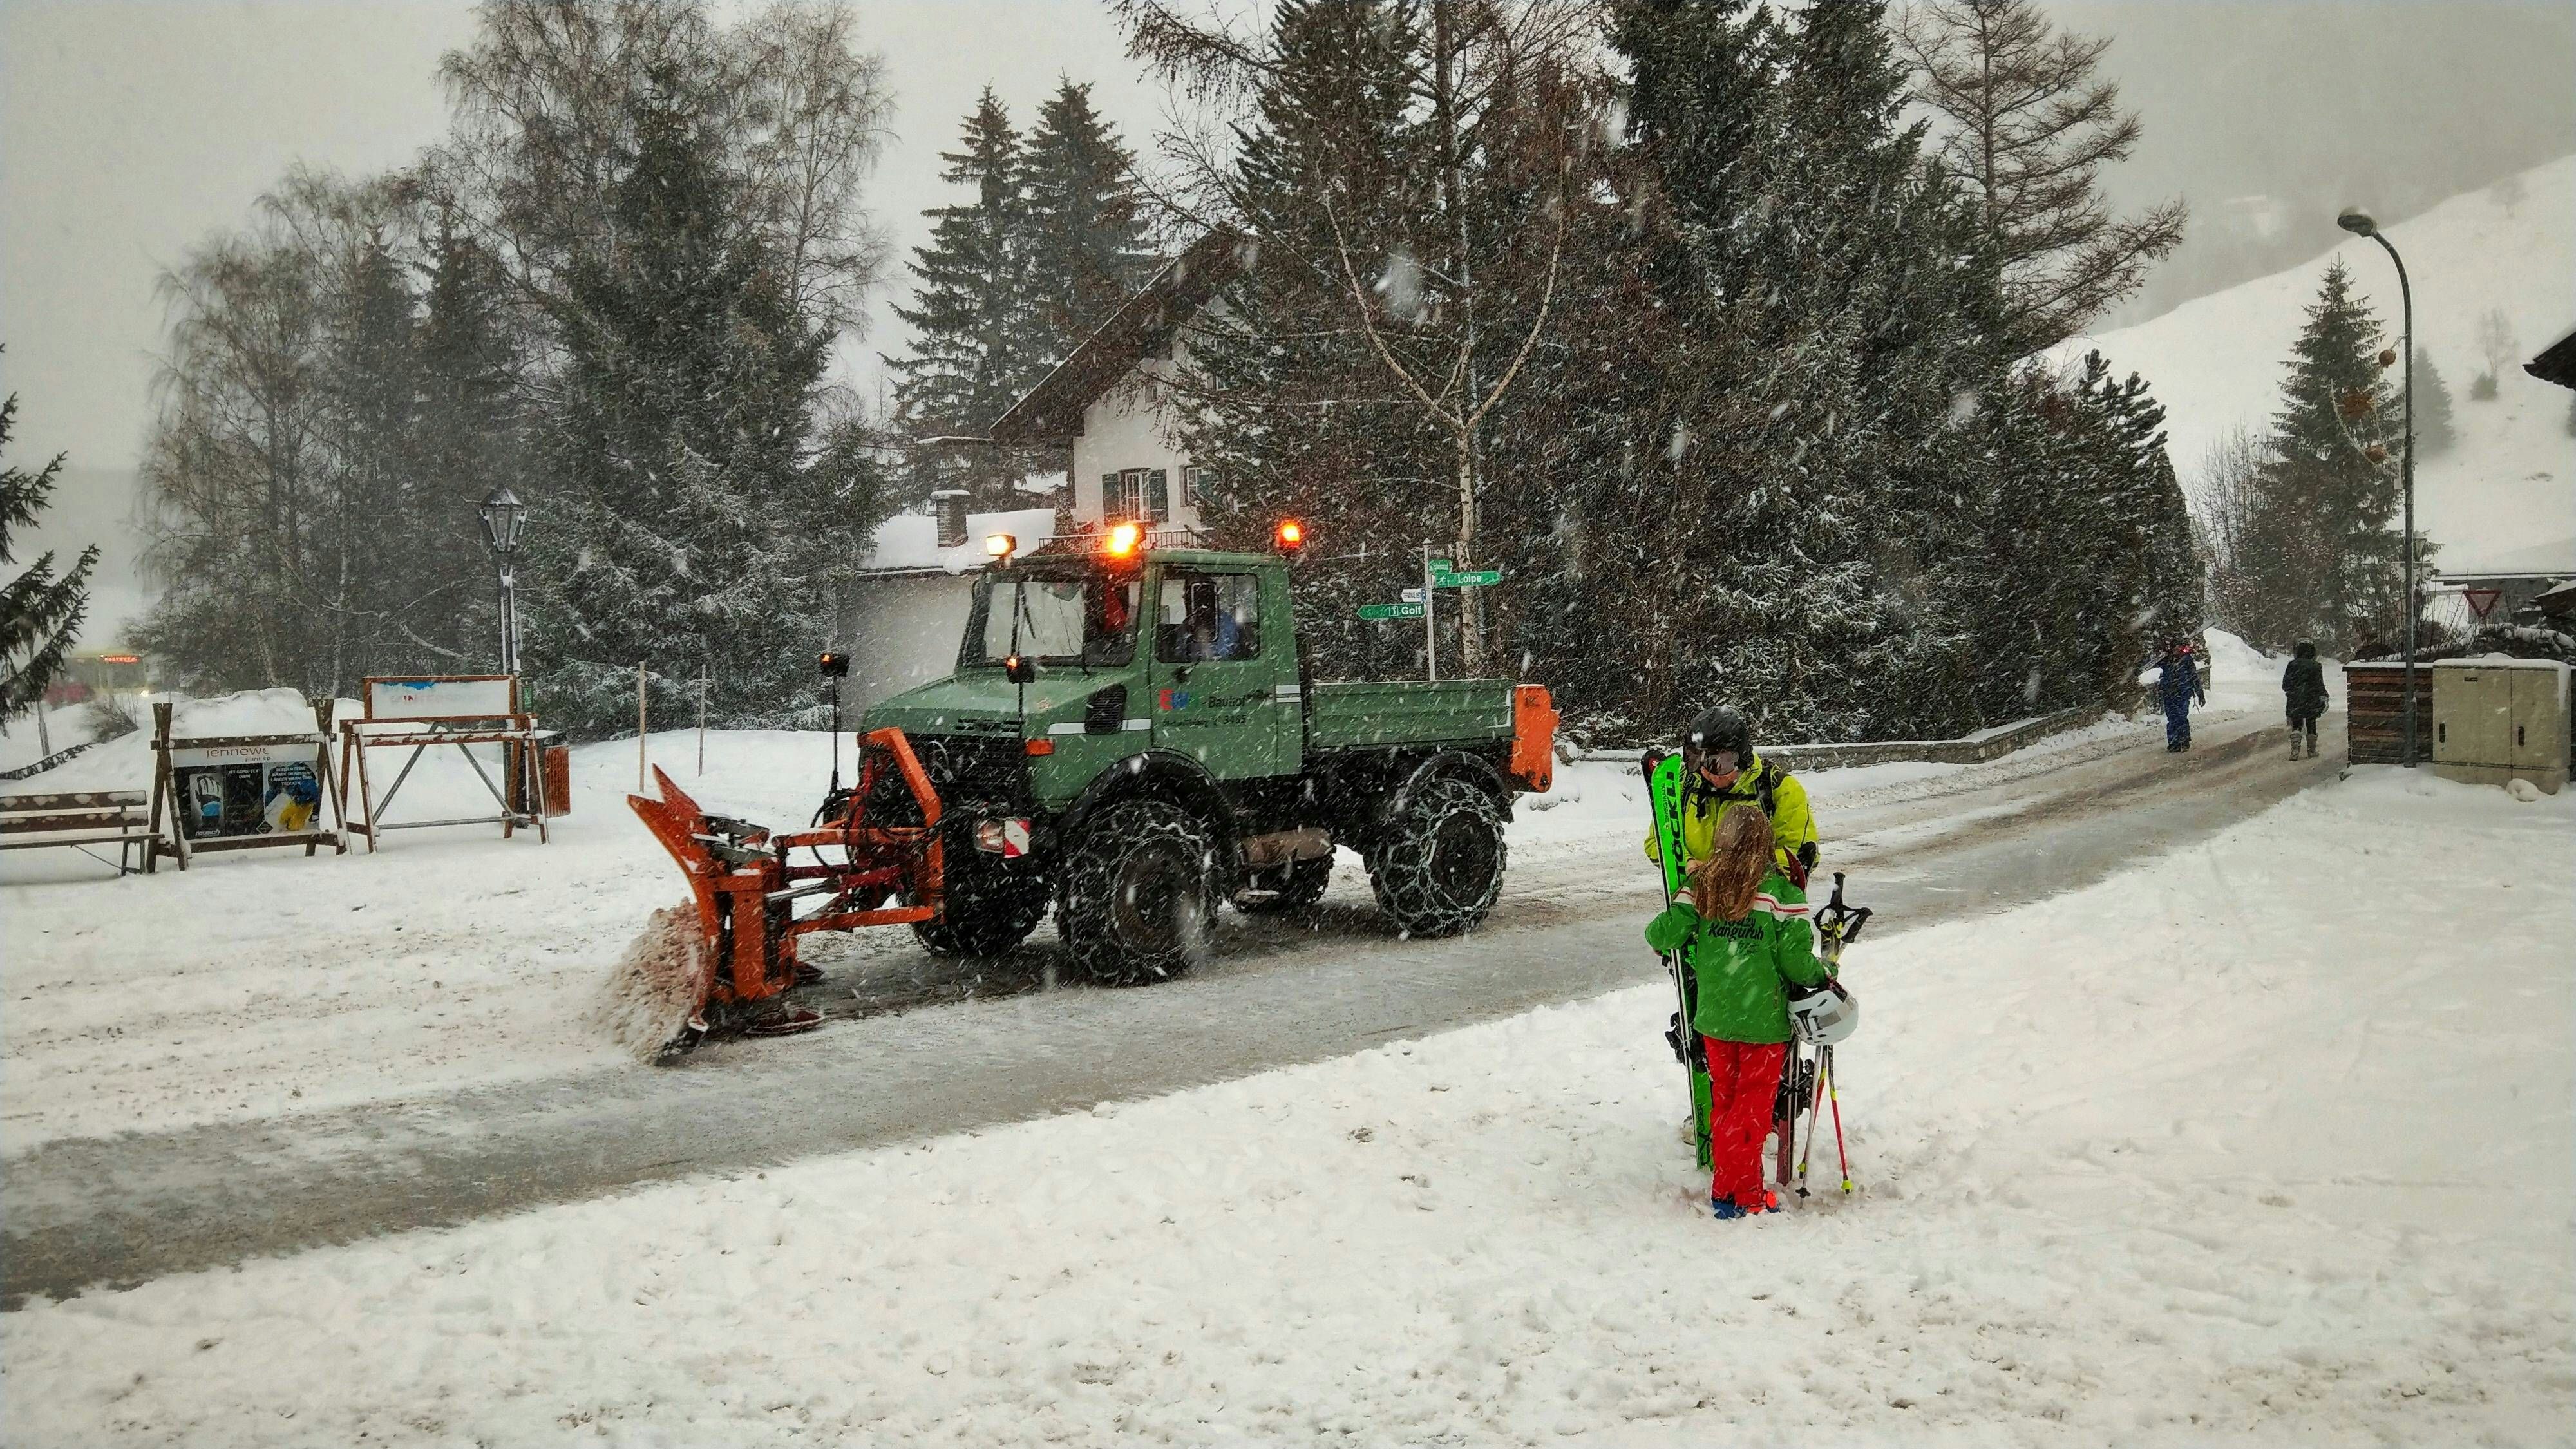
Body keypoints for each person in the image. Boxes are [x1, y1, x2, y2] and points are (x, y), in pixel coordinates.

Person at [1643, 808, 1836, 1219]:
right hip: (1762, 1023)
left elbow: (1662, 933)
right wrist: (1827, 972)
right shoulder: (1782, 895)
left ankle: (1724, 1193)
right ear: (1764, 844)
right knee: (1750, 1111)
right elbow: (1798, 964)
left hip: (1714, 1020)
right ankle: (1747, 1197)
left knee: (1725, 1104)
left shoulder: (1703, 887)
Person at [1642, 705, 1818, 883]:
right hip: (1697, 901)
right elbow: (1655, 842)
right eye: (1697, 760)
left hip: (1760, 903)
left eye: (1720, 763)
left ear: (1742, 758)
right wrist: (1686, 863)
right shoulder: (1684, 785)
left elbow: (1799, 855)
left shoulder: (1780, 789)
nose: (1708, 772)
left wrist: (1731, 873)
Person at [2152, 638, 2208, 752]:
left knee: (2182, 717)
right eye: (2177, 647)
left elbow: (2194, 677)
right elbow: (2153, 663)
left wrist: (2200, 694)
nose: (2179, 649)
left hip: (2183, 693)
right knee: (2172, 718)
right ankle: (2174, 743)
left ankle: (2184, 741)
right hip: (2168, 694)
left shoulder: (2186, 660)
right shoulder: (2166, 659)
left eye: (2181, 647)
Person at [2281, 640, 2329, 759]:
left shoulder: (2292, 665)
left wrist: (2291, 693)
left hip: (2295, 699)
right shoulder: (2316, 666)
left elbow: (2286, 684)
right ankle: (2311, 751)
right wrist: (2324, 696)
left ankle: (2295, 750)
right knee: (2311, 723)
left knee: (2296, 724)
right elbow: (2319, 684)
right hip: (2312, 699)